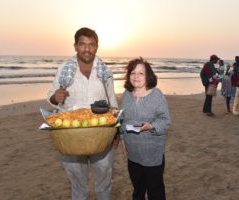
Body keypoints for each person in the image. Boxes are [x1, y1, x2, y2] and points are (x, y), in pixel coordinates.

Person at [47, 27, 118, 200]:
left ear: (97, 47)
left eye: (91, 45)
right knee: (78, 186)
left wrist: (117, 130)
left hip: (100, 135)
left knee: (104, 182)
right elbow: (51, 98)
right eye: (82, 44)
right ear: (75, 46)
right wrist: (56, 97)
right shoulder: (64, 69)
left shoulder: (104, 72)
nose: (87, 49)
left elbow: (112, 102)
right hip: (71, 136)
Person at [119, 57, 171, 200]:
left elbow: (165, 120)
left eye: (141, 73)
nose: (136, 76)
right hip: (133, 153)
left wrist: (152, 126)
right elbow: (122, 120)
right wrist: (123, 140)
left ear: (148, 76)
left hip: (152, 154)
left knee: (155, 191)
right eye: (133, 72)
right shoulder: (126, 95)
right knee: (138, 189)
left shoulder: (156, 95)